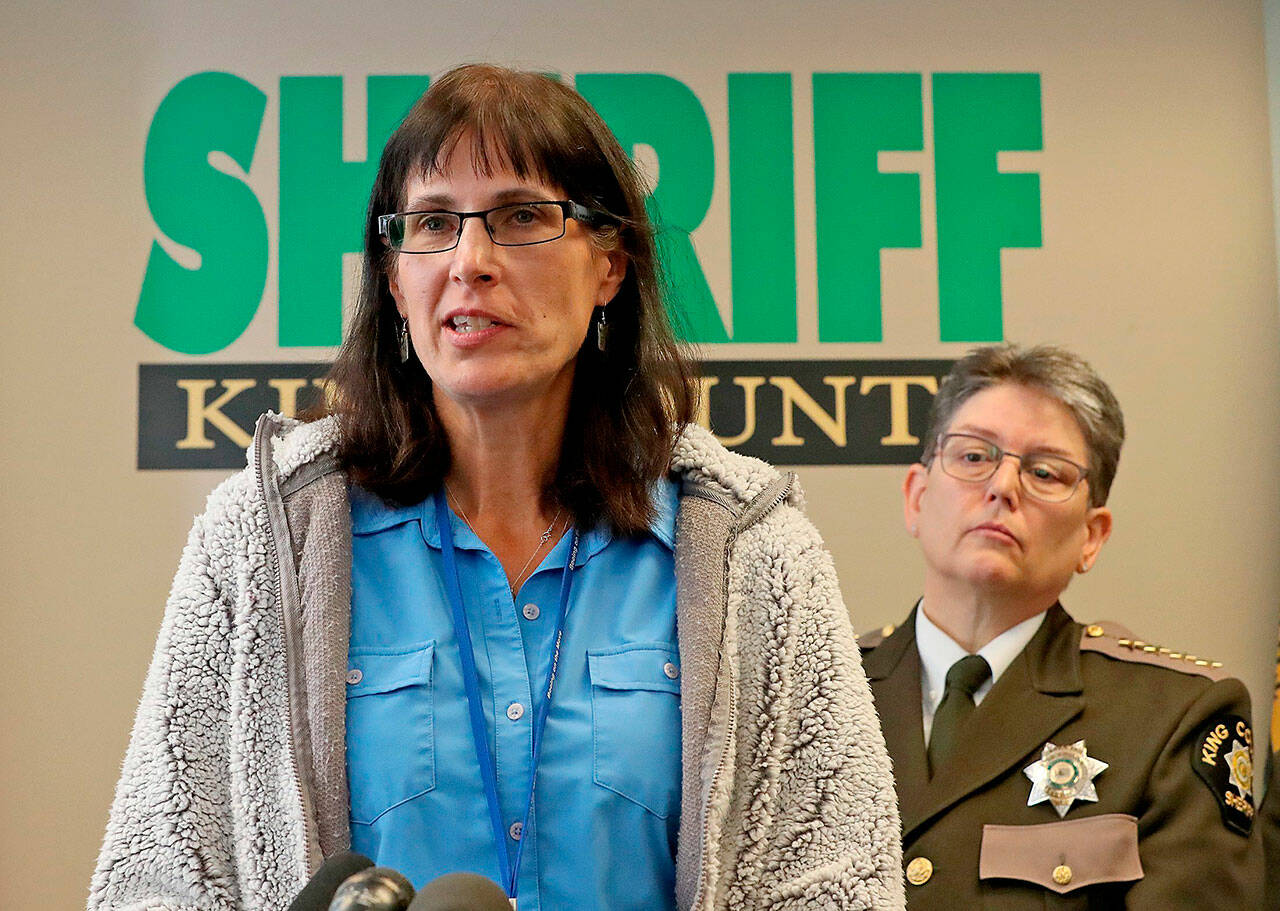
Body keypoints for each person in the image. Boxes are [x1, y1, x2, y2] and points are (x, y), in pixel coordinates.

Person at [89, 65, 904, 911]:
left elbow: (837, 881)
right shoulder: (266, 541)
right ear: (395, 277)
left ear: (610, 265)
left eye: (521, 216)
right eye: (434, 223)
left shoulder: (751, 550)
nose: (470, 262)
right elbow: (162, 877)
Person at [859, 344, 1261, 908]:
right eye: (974, 457)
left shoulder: (1171, 718)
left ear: (1091, 537)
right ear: (917, 498)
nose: (1003, 487)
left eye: (1045, 471)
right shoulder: (813, 692)